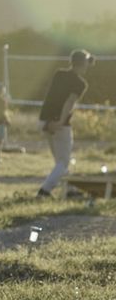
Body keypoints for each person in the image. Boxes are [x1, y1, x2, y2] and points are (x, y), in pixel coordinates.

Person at [37, 49, 93, 197]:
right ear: (82, 63)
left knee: (60, 161)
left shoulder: (59, 74)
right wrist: (60, 122)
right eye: (86, 63)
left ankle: (69, 189)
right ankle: (44, 191)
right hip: (59, 123)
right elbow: (69, 102)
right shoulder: (80, 83)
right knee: (63, 162)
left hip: (44, 119)